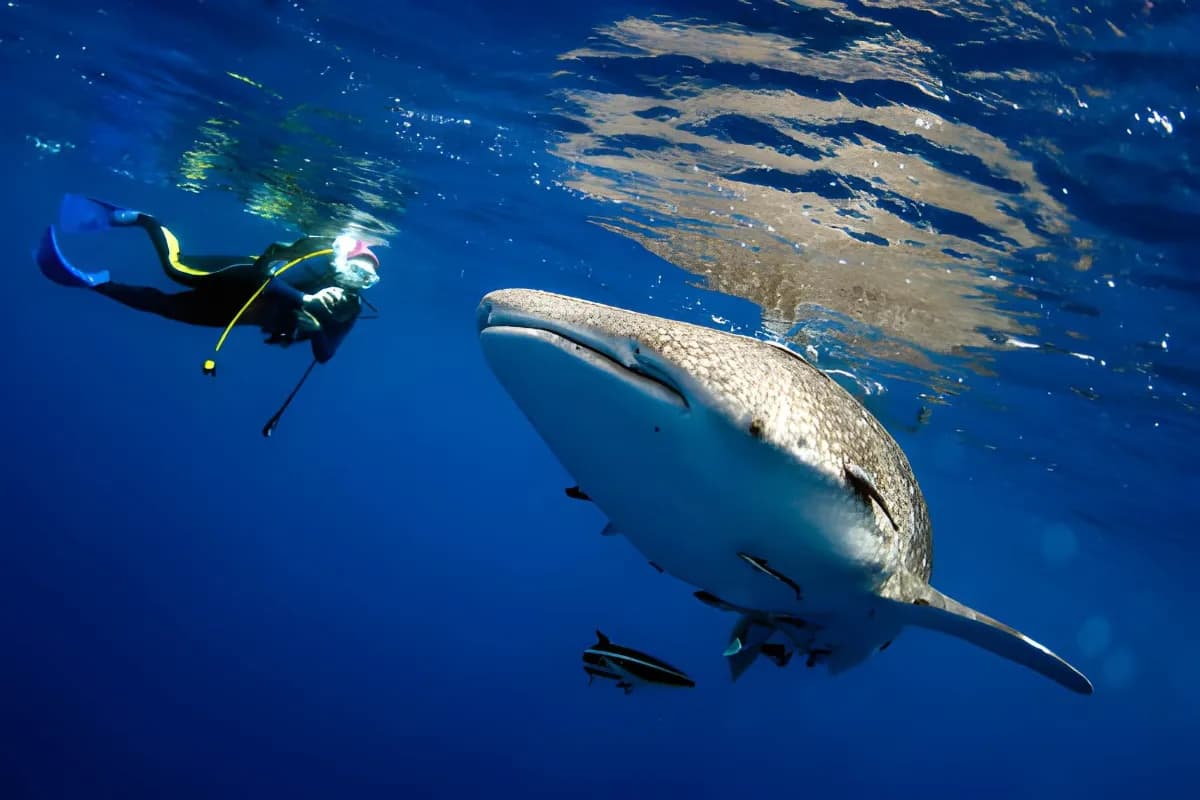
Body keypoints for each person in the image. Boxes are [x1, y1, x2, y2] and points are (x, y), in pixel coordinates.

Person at [34, 194, 382, 371]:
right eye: (357, 268)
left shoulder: (347, 310)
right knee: (176, 268)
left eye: (368, 277)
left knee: (165, 307)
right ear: (343, 261)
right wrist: (305, 303)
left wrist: (317, 327)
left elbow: (324, 355)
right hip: (242, 277)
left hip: (238, 312)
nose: (358, 279)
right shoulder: (317, 267)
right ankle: (144, 220)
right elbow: (265, 280)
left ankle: (95, 284)